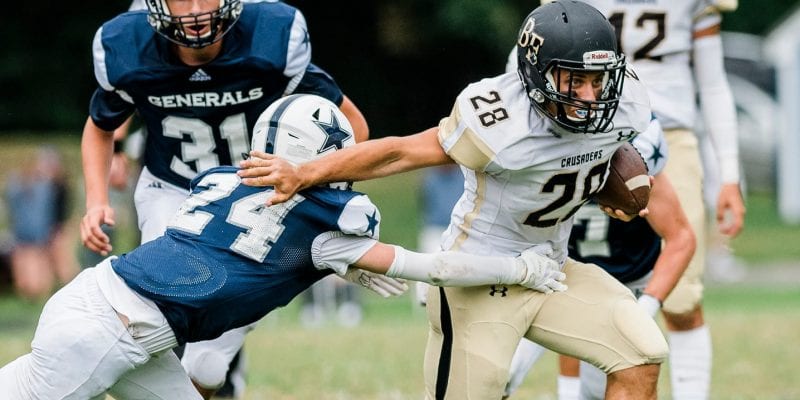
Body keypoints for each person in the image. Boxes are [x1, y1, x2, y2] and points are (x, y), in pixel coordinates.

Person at [0, 94, 567, 400]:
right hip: (114, 328)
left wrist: (335, 256)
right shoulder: (324, 220)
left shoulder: (220, 178)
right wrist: (518, 266)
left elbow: (248, 243)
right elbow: (430, 266)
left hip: (113, 309)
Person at [238, 2, 671, 398]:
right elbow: (401, 151)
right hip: (480, 277)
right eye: (575, 80)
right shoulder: (502, 122)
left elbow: (587, 158)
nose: (591, 96)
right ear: (537, 72)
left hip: (553, 267)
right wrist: (304, 172)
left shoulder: (626, 104)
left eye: (599, 79)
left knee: (641, 351)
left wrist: (602, 189)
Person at [80, 0, 369, 396]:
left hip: (254, 197)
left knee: (207, 364)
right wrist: (97, 199)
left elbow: (351, 128)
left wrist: (309, 181)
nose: (196, 9)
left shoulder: (269, 42)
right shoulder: (130, 47)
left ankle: (218, 376)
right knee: (156, 309)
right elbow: (100, 127)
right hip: (173, 187)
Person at [506, 1, 746, 398]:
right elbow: (527, 61)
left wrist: (729, 174)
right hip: (580, 126)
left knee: (682, 294)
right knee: (572, 273)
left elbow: (713, 81)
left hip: (666, 133)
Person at [503, 118, 697, 399]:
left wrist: (645, 308)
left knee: (626, 376)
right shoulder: (537, 143)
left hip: (632, 279)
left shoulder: (635, 146)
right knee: (500, 369)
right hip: (566, 275)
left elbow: (681, 238)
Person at [4, 146, 78, 301]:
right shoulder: (42, 187)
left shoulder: (54, 187)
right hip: (39, 233)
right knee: (36, 272)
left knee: (62, 265)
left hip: (54, 230)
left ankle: (72, 291)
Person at [415, 165, 464, 306]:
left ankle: (453, 303)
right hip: (434, 228)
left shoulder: (463, 176)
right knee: (428, 268)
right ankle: (425, 302)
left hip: (457, 228)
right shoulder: (429, 177)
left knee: (457, 269)